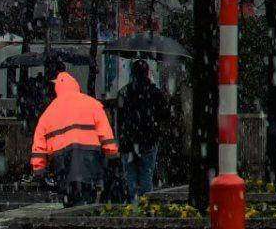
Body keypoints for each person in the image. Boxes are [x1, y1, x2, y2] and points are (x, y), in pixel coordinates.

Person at [30, 72, 119, 206]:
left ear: (57, 89)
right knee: (87, 196)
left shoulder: (48, 112)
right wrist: (111, 155)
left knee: (69, 198)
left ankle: (72, 216)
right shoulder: (92, 104)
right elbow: (106, 134)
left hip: (62, 160)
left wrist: (39, 170)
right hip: (89, 158)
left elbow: (39, 144)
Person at [115, 61, 174, 200]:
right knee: (146, 176)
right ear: (147, 73)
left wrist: (121, 139)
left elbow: (119, 119)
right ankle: (146, 205)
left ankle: (133, 205)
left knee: (131, 177)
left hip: (128, 141)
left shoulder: (124, 92)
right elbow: (165, 115)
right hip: (149, 140)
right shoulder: (155, 93)